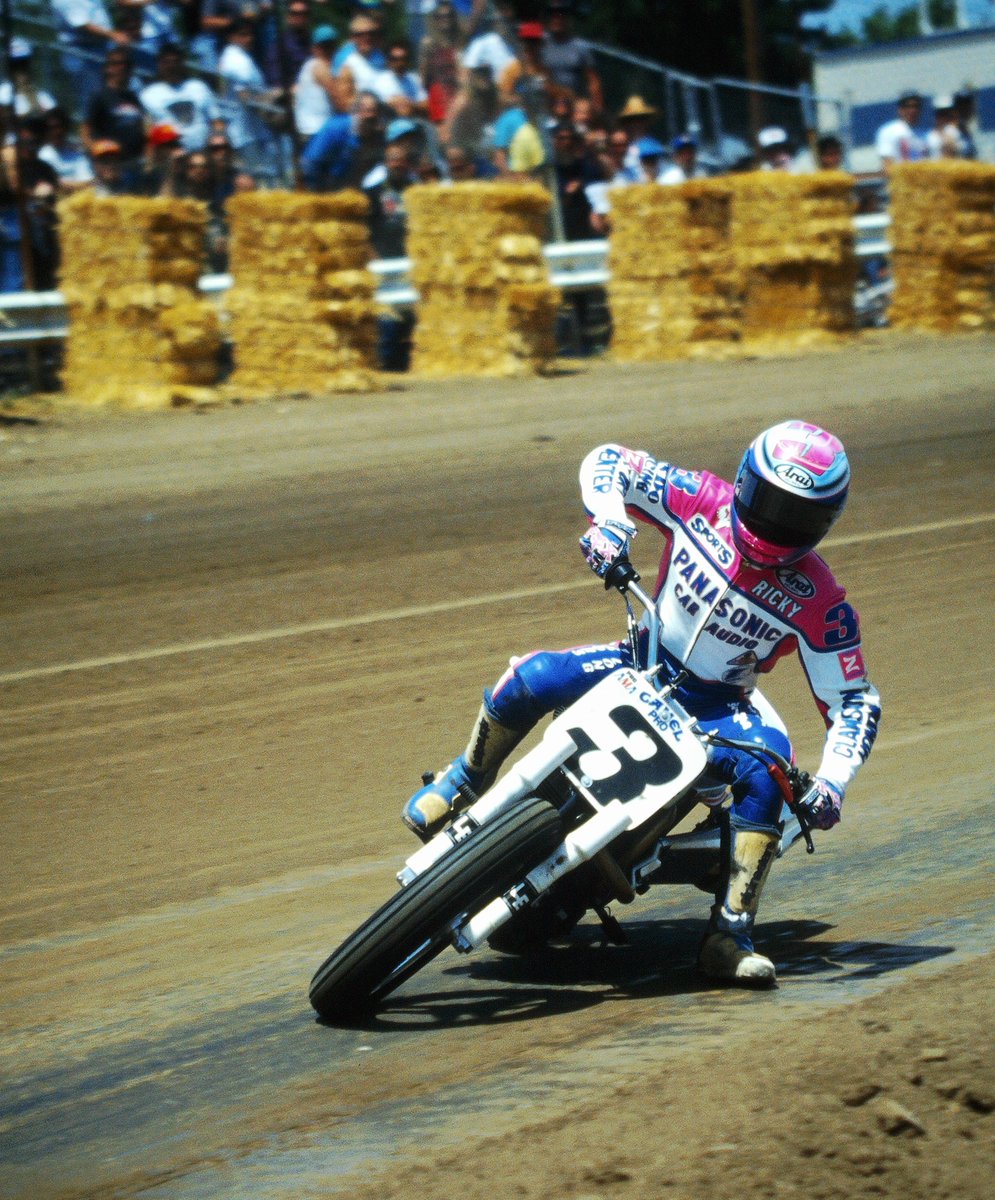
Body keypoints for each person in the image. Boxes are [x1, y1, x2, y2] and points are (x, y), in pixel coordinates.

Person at [402, 423, 882, 986]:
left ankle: (729, 934)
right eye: (769, 502)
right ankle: (462, 780)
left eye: (796, 514)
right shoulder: (701, 497)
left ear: (824, 522)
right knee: (532, 675)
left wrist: (833, 782)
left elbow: (853, 698)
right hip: (640, 657)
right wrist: (610, 523)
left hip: (719, 707)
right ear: (746, 479)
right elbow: (611, 460)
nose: (776, 522)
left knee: (771, 771)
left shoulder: (821, 599)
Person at [140, 42, 224, 152]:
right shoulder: (148, 95)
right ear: (159, 64)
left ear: (182, 63)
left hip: (205, 151)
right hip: (172, 154)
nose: (172, 66)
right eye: (166, 62)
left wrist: (218, 139)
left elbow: (217, 120)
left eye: (175, 61)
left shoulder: (199, 86)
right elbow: (148, 132)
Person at [300, 90, 384, 190]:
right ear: (356, 111)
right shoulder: (335, 128)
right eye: (366, 110)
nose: (370, 115)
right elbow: (311, 162)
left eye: (374, 111)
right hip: (324, 185)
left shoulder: (377, 136)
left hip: (351, 187)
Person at [541, 0, 603, 114]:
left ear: (568, 18)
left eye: (560, 15)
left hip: (573, 104)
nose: (556, 19)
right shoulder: (539, 43)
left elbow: (593, 80)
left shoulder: (580, 47)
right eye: (552, 15)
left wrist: (597, 109)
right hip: (546, 103)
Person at [294, 25, 341, 142]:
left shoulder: (307, 66)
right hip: (318, 130)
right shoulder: (319, 66)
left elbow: (294, 93)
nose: (329, 51)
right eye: (325, 47)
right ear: (315, 48)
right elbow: (338, 98)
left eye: (331, 46)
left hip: (306, 128)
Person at [38, 107, 95, 194]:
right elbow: (50, 186)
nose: (57, 132)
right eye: (51, 128)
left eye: (60, 126)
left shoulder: (77, 152)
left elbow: (89, 181)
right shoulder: (43, 155)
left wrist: (64, 184)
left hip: (82, 198)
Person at [874, 92, 927, 170]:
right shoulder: (889, 131)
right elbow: (887, 163)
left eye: (916, 106)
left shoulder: (923, 135)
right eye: (908, 106)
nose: (912, 110)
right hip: (900, 179)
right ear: (900, 109)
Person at [926, 95, 968, 160]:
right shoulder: (930, 135)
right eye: (940, 114)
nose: (943, 117)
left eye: (945, 114)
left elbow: (959, 150)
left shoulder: (954, 131)